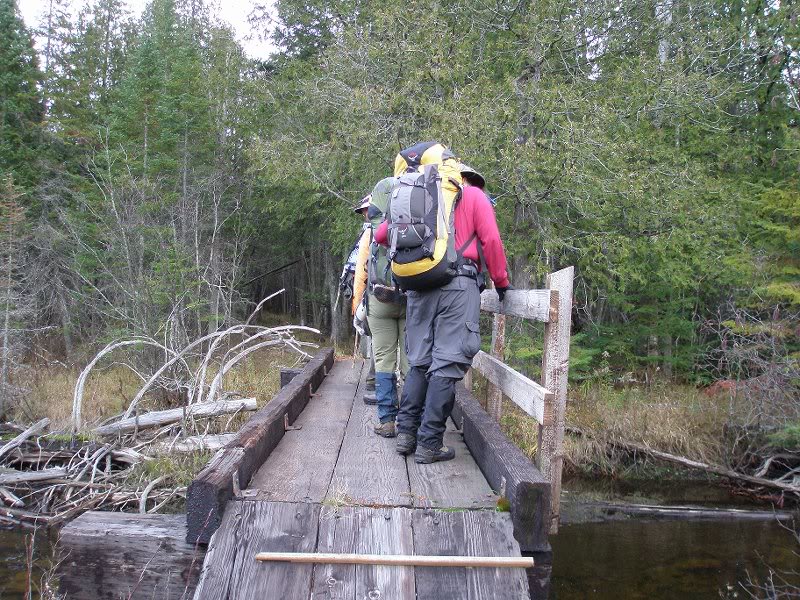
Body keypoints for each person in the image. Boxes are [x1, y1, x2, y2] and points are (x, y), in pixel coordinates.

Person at [374, 154, 512, 463]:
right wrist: (501, 283)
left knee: (420, 362)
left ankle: (406, 434)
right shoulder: (474, 196)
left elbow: (382, 234)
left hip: (420, 287)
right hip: (458, 287)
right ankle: (430, 443)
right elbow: (491, 240)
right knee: (447, 362)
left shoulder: (421, 197)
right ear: (468, 177)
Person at [364, 177, 409, 437]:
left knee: (383, 358)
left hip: (380, 296)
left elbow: (364, 266)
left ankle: (386, 421)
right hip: (412, 295)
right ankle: (409, 422)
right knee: (411, 360)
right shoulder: (424, 204)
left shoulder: (381, 195)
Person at [349, 195, 377, 401]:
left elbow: (360, 272)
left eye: (366, 210)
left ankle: (374, 380)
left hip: (375, 295)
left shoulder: (369, 233)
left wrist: (356, 301)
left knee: (379, 340)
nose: (365, 215)